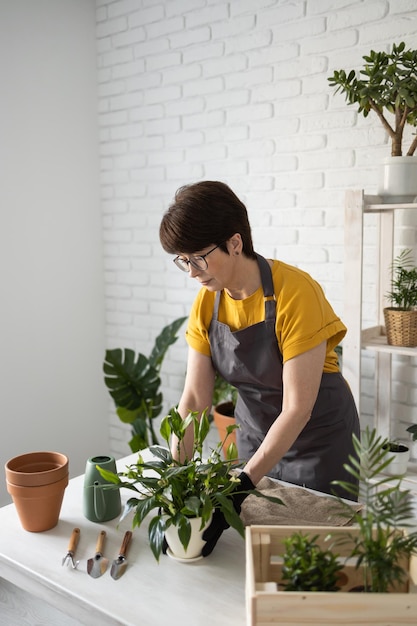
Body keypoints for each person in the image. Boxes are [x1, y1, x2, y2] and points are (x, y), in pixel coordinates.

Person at [159, 180, 360, 555]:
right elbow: (195, 398)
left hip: (318, 444)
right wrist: (176, 475)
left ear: (235, 243)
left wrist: (244, 483)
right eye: (183, 260)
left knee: (317, 553)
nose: (191, 272)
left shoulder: (296, 293)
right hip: (255, 439)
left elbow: (298, 407)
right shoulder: (207, 302)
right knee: (254, 554)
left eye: (198, 258)